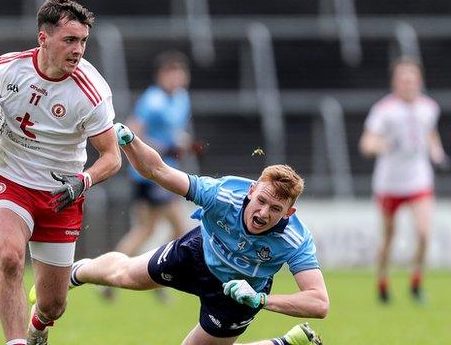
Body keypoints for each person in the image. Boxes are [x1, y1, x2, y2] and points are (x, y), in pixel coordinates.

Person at [0, 0, 121, 345]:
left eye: (83, 41)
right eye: (69, 40)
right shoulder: (5, 69)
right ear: (43, 38)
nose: (78, 50)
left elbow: (112, 157)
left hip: (61, 193)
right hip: (8, 178)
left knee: (54, 305)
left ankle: (38, 326)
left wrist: (83, 181)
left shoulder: (92, 93)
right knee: (10, 259)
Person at [69, 123, 329, 345]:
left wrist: (260, 299)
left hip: (239, 293)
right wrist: (130, 142)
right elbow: (159, 171)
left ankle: (284, 342)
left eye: (275, 209)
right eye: (261, 200)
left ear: (289, 213)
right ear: (251, 191)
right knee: (123, 275)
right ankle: (74, 273)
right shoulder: (223, 195)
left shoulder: (295, 239)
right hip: (197, 254)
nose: (263, 212)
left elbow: (319, 303)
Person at [104, 50, 193, 301]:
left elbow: (174, 132)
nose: (178, 78)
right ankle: (156, 272)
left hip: (165, 172)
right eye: (173, 73)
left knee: (147, 228)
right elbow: (132, 132)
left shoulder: (181, 98)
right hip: (151, 174)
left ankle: (116, 275)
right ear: (162, 75)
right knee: (178, 229)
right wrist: (162, 148)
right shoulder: (152, 100)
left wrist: (181, 143)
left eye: (180, 73)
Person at [359, 56, 448, 304]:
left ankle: (416, 282)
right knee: (389, 236)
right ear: (395, 82)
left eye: (413, 78)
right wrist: (381, 145)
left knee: (423, 233)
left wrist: (436, 152)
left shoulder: (429, 107)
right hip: (390, 182)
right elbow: (367, 143)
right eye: (403, 78)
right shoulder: (383, 110)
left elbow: (430, 133)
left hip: (418, 180)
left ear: (419, 81)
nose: (408, 83)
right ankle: (383, 282)